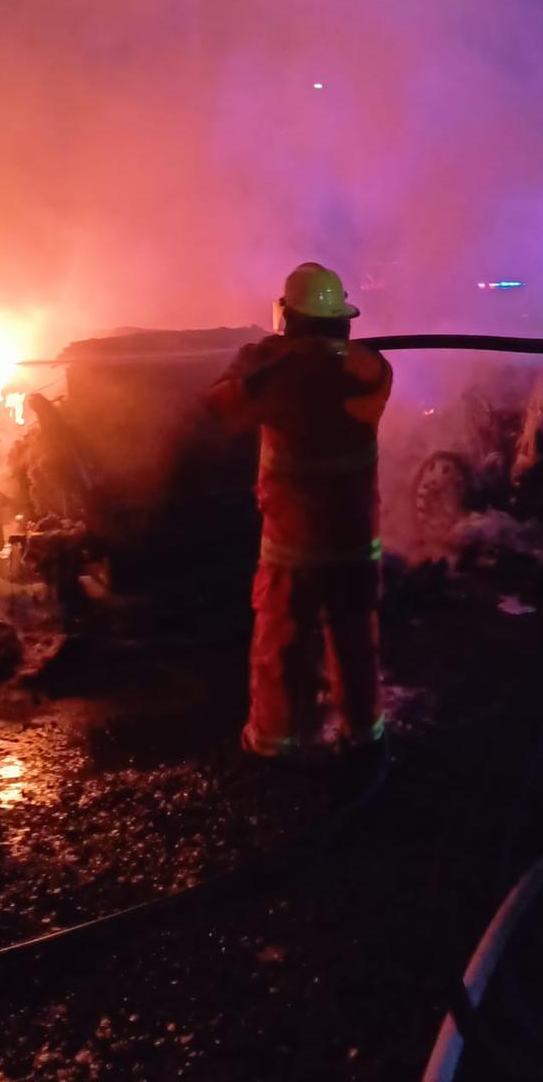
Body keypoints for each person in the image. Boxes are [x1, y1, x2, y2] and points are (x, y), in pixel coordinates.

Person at [209, 262, 392, 758]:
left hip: (295, 548)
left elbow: (222, 407)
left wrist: (250, 359)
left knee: (282, 646)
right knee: (355, 643)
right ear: (342, 320)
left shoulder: (274, 377)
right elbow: (330, 376)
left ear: (289, 318)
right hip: (354, 545)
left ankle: (277, 741)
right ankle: (363, 734)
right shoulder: (373, 369)